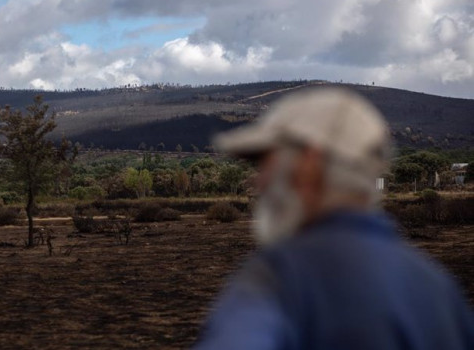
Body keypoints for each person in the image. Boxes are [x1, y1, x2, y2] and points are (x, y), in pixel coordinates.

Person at [194, 88, 474, 350]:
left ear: (309, 165)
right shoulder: (438, 288)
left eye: (263, 162)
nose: (257, 181)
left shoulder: (280, 276)